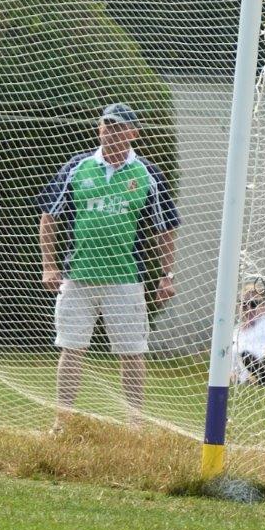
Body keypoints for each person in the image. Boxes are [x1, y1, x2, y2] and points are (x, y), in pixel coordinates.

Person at [37, 103, 180, 432]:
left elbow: (165, 227)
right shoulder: (78, 166)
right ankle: (61, 422)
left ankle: (134, 425)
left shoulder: (147, 173)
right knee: (71, 349)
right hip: (78, 277)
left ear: (133, 133)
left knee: (132, 352)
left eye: (118, 126)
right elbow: (49, 215)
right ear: (98, 129)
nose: (110, 131)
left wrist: (166, 275)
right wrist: (49, 265)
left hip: (124, 280)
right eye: (106, 125)